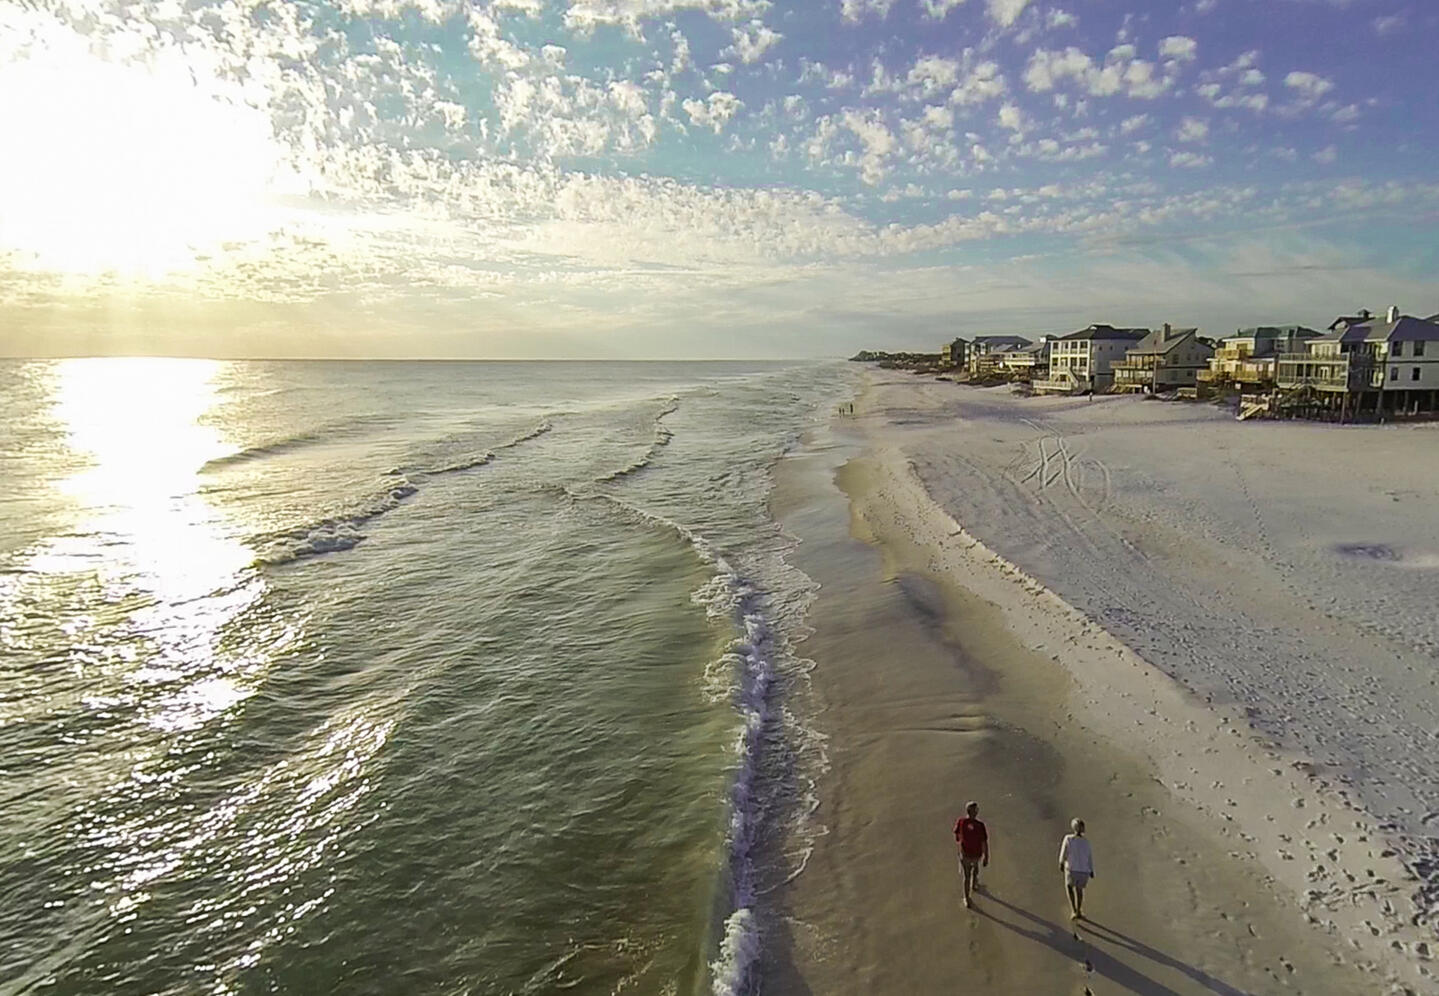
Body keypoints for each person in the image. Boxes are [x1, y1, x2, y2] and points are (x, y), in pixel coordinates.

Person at [953, 801, 989, 908]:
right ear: (974, 812)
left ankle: (967, 897)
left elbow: (957, 834)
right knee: (973, 872)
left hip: (966, 854)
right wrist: (986, 856)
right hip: (975, 854)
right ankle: (971, 890)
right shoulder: (980, 825)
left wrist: (960, 843)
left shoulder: (961, 822)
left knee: (967, 875)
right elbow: (984, 842)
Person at [1058, 818, 1094, 920]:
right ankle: (1079, 910)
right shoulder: (1086, 842)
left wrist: (1061, 862)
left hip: (1071, 869)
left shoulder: (1068, 839)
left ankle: (1073, 910)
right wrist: (1091, 870)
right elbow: (1089, 856)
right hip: (1083, 870)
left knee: (1069, 887)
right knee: (1080, 890)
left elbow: (1064, 852)